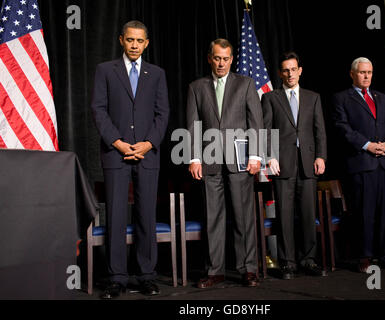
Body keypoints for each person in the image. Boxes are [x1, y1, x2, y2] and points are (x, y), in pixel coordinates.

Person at [91, 20, 170, 299]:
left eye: (140, 41)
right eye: (130, 40)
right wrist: (119, 143)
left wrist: (148, 144)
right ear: (121, 40)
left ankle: (146, 275)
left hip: (148, 154)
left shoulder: (157, 74)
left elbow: (163, 114)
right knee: (115, 214)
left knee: (146, 215)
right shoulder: (105, 70)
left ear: (146, 43)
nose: (135, 45)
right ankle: (116, 278)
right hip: (116, 153)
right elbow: (99, 110)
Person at [186, 38, 264, 288]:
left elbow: (256, 122)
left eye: (226, 58)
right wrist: (194, 157)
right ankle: (214, 270)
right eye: (217, 58)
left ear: (232, 59)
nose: (221, 63)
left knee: (244, 218)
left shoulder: (246, 84)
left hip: (240, 161)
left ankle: (248, 269)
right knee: (213, 218)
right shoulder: (196, 87)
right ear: (210, 58)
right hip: (209, 161)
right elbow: (193, 124)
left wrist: (255, 156)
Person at [332, 57, 385, 272]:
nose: (366, 76)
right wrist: (367, 145)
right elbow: (342, 128)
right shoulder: (342, 99)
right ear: (352, 74)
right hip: (362, 164)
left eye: (370, 72)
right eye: (362, 72)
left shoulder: (384, 99)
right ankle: (364, 256)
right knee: (364, 213)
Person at [261, 52, 327, 279]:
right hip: (282, 165)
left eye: (293, 69)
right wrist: (270, 157)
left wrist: (321, 156)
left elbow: (320, 130)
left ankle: (308, 260)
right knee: (284, 215)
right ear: (280, 73)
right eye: (285, 70)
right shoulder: (271, 98)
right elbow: (266, 130)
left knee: (308, 214)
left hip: (309, 164)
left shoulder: (313, 97)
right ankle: (287, 263)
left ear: (300, 70)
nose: (290, 74)